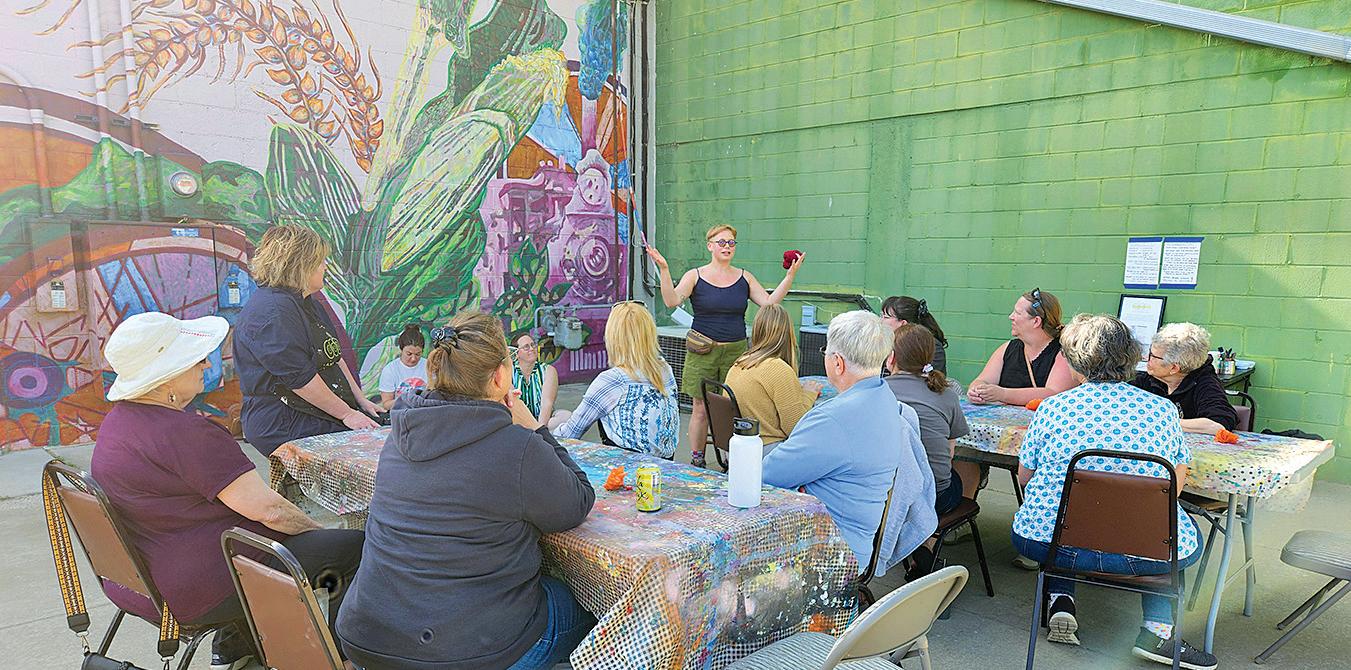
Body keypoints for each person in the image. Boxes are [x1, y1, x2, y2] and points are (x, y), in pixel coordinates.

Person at [91, 312, 364, 670]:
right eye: (195, 360)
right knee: (357, 549)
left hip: (141, 583)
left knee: (292, 546)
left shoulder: (116, 424)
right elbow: (271, 512)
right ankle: (334, 659)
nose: (206, 364)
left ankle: (235, 649)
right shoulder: (186, 434)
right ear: (166, 377)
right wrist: (317, 534)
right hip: (200, 589)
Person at [336, 311, 596, 670]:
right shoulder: (518, 447)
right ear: (500, 376)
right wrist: (535, 427)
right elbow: (578, 501)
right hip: (465, 653)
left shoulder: (400, 433)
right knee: (590, 607)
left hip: (369, 638)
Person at [1011, 314, 1215, 670]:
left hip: (1051, 544)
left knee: (1061, 513)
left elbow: (1025, 477)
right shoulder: (1163, 410)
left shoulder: (1052, 408)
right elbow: (1172, 488)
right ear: (1131, 357)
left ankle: (1060, 599)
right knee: (1168, 530)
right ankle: (1157, 632)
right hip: (1143, 552)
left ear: (1075, 363)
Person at [761, 311, 922, 569]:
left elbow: (766, 476)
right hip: (856, 543)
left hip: (825, 554)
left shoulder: (834, 419)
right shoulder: (884, 397)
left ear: (838, 363)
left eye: (826, 351)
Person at [646, 224, 804, 467]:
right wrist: (664, 269)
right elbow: (671, 300)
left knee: (733, 406)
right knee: (700, 407)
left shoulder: (744, 277)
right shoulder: (695, 276)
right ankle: (697, 459)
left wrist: (790, 276)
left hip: (736, 353)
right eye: (721, 242)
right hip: (702, 352)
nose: (727, 246)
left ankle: (732, 458)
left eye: (731, 242)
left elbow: (769, 303)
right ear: (710, 246)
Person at [234, 225, 381, 457]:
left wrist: (360, 401)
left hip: (314, 409)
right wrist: (347, 414)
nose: (325, 267)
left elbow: (334, 357)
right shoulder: (274, 311)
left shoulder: (307, 302)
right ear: (301, 264)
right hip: (284, 419)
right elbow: (300, 380)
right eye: (321, 261)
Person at [960, 288, 1076, 500]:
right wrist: (977, 390)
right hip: (999, 433)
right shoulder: (1008, 348)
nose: (1011, 317)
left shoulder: (1061, 352)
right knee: (963, 451)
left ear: (1036, 321)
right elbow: (982, 379)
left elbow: (1053, 393)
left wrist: (1002, 393)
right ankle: (964, 505)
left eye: (1017, 313)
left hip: (1036, 437)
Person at [553, 302, 680, 459]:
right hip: (666, 465)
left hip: (626, 468)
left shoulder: (613, 380)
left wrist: (544, 430)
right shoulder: (665, 369)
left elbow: (569, 435)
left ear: (613, 337)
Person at [885, 324, 968, 517]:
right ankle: (938, 532)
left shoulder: (876, 390)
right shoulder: (947, 395)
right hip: (935, 497)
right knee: (958, 473)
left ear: (891, 357)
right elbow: (950, 453)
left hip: (886, 497)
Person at [724, 304, 822, 446]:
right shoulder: (778, 369)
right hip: (768, 449)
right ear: (788, 333)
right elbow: (795, 428)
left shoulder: (739, 363)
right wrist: (809, 394)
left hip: (739, 447)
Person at [1132, 322, 1239, 434]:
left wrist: (1159, 422)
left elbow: (1219, 424)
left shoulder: (1206, 384)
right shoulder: (1147, 379)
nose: (1145, 358)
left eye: (1152, 356)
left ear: (1174, 368)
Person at [880, 296, 949, 374]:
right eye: (881, 315)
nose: (881, 321)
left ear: (903, 323)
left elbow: (929, 378)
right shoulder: (887, 342)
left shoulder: (932, 347)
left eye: (886, 317)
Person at [512, 331, 562, 424]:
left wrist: (539, 429)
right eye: (526, 347)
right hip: (516, 422)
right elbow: (512, 404)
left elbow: (547, 404)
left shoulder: (548, 370)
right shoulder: (509, 371)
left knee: (565, 416)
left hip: (541, 421)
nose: (531, 349)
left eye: (533, 345)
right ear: (516, 353)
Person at [378, 324, 428, 409]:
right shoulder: (390, 370)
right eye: (409, 354)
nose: (413, 358)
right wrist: (407, 400)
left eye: (418, 354)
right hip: (401, 412)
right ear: (401, 349)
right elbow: (386, 404)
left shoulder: (429, 366)